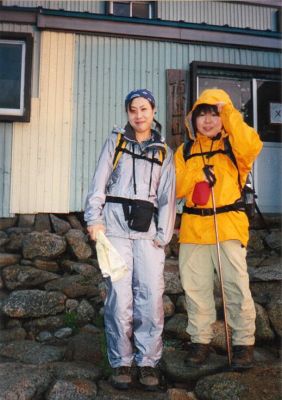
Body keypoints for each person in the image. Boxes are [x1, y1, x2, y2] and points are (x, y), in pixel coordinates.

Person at [84, 89, 176, 390]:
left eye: (144, 109)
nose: (139, 115)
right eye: (133, 109)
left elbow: (167, 196)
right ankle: (121, 361)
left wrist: (164, 233)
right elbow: (99, 180)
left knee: (151, 296)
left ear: (153, 111)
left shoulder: (164, 150)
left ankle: (148, 362)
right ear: (128, 113)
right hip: (114, 230)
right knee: (119, 297)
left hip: (147, 232)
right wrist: (93, 219)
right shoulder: (116, 141)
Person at [174, 88, 263, 370]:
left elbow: (252, 145)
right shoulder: (185, 151)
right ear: (194, 119)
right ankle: (199, 342)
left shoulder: (235, 147)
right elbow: (174, 188)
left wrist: (230, 111)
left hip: (228, 227)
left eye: (215, 114)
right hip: (193, 229)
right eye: (203, 114)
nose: (209, 121)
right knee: (195, 289)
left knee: (235, 286)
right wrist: (197, 175)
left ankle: (243, 345)